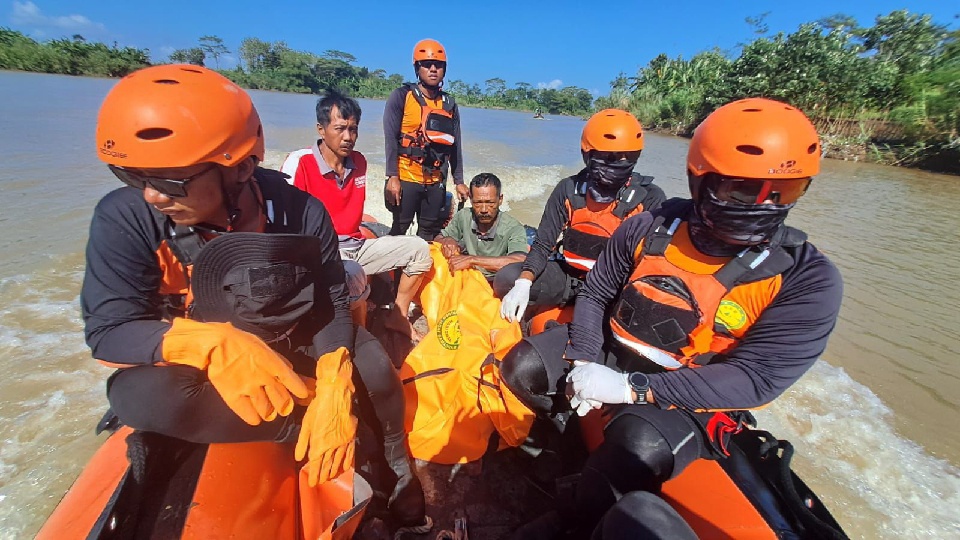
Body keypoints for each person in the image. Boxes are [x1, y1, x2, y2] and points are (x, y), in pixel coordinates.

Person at [81, 65, 427, 531]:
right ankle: (299, 426)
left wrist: (334, 382)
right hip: (206, 350)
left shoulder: (300, 212)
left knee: (376, 371)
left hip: (293, 331)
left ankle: (395, 469)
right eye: (131, 175)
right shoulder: (126, 218)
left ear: (241, 168)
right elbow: (109, 329)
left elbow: (330, 300)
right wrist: (212, 345)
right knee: (137, 396)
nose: (151, 196)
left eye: (171, 181)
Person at [500, 97, 843, 537]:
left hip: (690, 387)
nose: (761, 206)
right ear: (700, 178)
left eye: (783, 192)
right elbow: (599, 291)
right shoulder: (649, 226)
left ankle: (576, 517)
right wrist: (584, 356)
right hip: (613, 347)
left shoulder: (807, 278)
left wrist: (634, 388)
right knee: (519, 367)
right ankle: (561, 435)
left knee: (636, 445)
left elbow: (757, 378)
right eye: (739, 190)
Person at [496, 109, 665, 322]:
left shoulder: (649, 198)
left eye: (628, 157)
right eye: (610, 157)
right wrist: (524, 282)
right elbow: (543, 244)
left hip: (613, 288)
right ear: (588, 155)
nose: (620, 164)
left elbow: (652, 265)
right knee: (506, 279)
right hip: (570, 278)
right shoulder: (568, 189)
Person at [289, 90, 432, 338]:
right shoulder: (301, 162)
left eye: (353, 129)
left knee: (419, 249)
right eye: (340, 129)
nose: (348, 137)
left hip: (357, 246)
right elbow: (287, 222)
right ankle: (358, 335)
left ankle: (398, 316)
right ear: (321, 129)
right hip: (322, 253)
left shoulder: (360, 162)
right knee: (354, 277)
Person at [383, 38, 468, 241]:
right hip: (406, 177)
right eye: (427, 64)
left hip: (435, 181)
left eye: (438, 65)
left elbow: (455, 146)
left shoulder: (449, 104)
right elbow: (390, 139)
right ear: (417, 68)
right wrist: (392, 177)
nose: (433, 69)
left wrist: (459, 181)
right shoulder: (401, 96)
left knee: (428, 234)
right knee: (400, 229)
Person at [433, 172, 528, 281]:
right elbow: (438, 238)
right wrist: (447, 241)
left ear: (500, 199)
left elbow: (520, 260)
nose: (483, 209)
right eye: (478, 203)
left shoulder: (514, 227)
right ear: (470, 199)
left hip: (495, 280)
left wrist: (472, 260)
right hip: (467, 276)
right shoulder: (463, 216)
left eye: (490, 203)